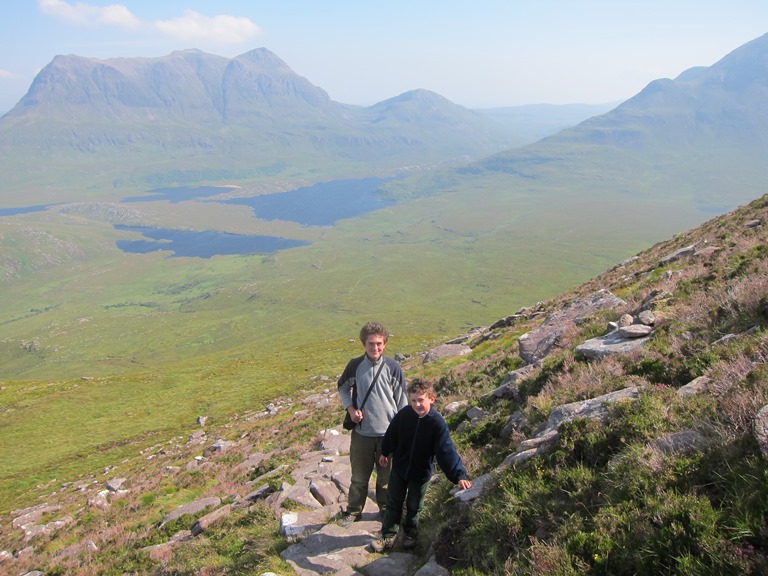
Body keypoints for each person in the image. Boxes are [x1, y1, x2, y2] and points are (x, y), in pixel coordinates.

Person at [371, 378, 472, 552]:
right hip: (399, 468)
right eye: (413, 400)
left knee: (414, 505)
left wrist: (459, 475)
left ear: (431, 399)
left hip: (420, 473)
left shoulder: (436, 423)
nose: (417, 404)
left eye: (421, 400)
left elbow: (446, 451)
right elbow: (391, 433)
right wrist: (385, 452)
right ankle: (388, 536)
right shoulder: (404, 415)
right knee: (393, 501)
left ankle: (410, 534)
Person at [337, 321, 408, 527]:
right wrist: (350, 410)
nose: (375, 348)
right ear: (364, 344)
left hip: (388, 435)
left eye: (379, 343)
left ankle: (385, 510)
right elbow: (342, 387)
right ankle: (353, 511)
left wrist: (401, 432)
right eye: (370, 343)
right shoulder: (354, 365)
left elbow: (402, 401)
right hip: (362, 434)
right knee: (359, 477)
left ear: (384, 344)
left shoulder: (393, 367)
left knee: (386, 479)